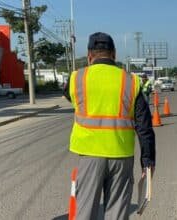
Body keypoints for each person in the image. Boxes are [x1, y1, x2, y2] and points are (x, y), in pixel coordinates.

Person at [63, 32, 155, 220]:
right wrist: (148, 160)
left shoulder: (76, 78)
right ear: (114, 54)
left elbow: (70, 96)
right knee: (117, 213)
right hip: (121, 156)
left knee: (85, 212)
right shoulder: (131, 81)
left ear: (89, 55)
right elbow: (144, 126)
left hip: (89, 156)